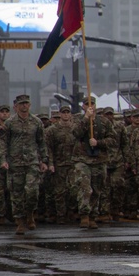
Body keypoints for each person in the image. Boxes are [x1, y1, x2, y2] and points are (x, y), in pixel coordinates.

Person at [0, 95, 49, 235]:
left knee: (32, 191)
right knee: (17, 194)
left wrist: (44, 160)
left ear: (30, 105)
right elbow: (3, 143)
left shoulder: (36, 122)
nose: (24, 106)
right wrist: (3, 160)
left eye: (26, 103)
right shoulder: (10, 123)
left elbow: (41, 142)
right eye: (21, 104)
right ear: (16, 106)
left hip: (32, 162)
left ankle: (30, 213)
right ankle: (20, 221)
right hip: (15, 163)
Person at [72, 97, 117, 230]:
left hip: (99, 159)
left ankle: (93, 215)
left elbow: (113, 140)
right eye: (87, 104)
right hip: (82, 160)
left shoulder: (104, 122)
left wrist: (99, 143)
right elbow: (76, 133)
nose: (90, 106)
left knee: (97, 189)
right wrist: (86, 118)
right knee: (85, 188)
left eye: (92, 104)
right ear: (83, 107)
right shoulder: (78, 120)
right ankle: (84, 214)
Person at [44, 105, 76, 225]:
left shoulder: (75, 128)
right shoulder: (52, 130)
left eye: (68, 112)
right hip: (59, 164)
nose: (66, 115)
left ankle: (71, 212)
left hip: (73, 164)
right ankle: (61, 215)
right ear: (60, 114)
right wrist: (50, 163)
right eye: (64, 113)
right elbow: (49, 148)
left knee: (73, 190)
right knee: (59, 192)